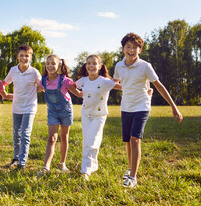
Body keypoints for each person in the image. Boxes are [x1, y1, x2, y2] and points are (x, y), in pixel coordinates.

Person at [114, 32, 183, 187]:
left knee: (135, 139)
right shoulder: (119, 66)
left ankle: (133, 177)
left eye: (135, 47)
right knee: (127, 141)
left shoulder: (145, 66)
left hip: (142, 106)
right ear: (123, 48)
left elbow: (159, 86)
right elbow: (115, 83)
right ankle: (131, 168)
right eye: (128, 47)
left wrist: (174, 107)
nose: (131, 50)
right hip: (126, 107)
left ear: (140, 50)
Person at [75, 55, 122, 181]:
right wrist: (79, 94)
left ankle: (85, 171)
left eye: (94, 63)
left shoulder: (104, 81)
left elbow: (122, 86)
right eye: (88, 63)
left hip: (99, 116)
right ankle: (93, 165)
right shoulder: (83, 81)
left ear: (100, 66)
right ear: (86, 66)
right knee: (87, 141)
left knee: (92, 141)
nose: (91, 66)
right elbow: (71, 86)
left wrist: (145, 90)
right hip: (86, 114)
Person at [37, 55, 83, 175]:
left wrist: (95, 90)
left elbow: (78, 94)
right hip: (52, 112)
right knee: (51, 138)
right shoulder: (43, 81)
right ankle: (46, 166)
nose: (50, 66)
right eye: (48, 63)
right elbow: (33, 89)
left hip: (66, 111)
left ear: (58, 66)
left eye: (53, 63)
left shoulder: (65, 80)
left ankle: (62, 163)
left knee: (64, 137)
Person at [4, 44, 42, 170]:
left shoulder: (34, 72)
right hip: (16, 107)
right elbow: (4, 83)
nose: (24, 58)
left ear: (31, 57)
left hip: (29, 108)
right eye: (21, 55)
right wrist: (2, 92)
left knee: (25, 133)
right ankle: (15, 158)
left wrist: (38, 89)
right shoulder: (13, 70)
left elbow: (42, 86)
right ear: (17, 57)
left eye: (27, 55)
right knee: (16, 133)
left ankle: (22, 162)